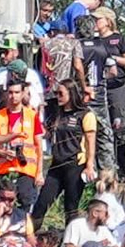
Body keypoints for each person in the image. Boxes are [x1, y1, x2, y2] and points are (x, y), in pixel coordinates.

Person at [35, 78, 98, 227]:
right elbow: (48, 134)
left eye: (61, 93)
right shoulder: (57, 113)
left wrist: (89, 165)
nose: (58, 97)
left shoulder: (85, 114)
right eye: (56, 93)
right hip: (56, 164)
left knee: (70, 207)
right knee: (41, 204)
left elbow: (91, 141)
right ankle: (32, 238)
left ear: (71, 94)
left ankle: (69, 243)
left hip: (75, 165)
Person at [85, 7, 125, 176]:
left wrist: (113, 59)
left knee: (117, 125)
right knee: (97, 127)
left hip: (115, 87)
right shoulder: (92, 40)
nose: (95, 23)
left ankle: (122, 167)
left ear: (108, 20)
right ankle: (101, 166)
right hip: (97, 89)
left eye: (98, 19)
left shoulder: (118, 39)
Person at [0, 78, 45, 213]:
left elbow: (38, 146)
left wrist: (39, 172)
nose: (14, 96)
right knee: (2, 205)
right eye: (11, 92)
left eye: (17, 92)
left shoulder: (31, 115)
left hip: (26, 170)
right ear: (6, 93)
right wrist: (2, 153)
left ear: (23, 93)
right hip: (3, 169)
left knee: (25, 202)